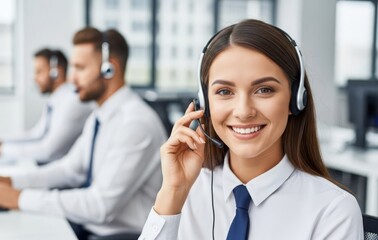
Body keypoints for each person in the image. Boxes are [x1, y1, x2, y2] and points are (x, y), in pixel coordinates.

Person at [139, 19, 363, 239]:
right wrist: (173, 192)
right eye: (225, 92)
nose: (243, 111)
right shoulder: (189, 190)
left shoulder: (333, 210)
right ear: (204, 104)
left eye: (264, 90)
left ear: (296, 99)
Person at [0, 27, 167, 239]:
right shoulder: (99, 116)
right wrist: (10, 182)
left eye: (80, 68)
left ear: (110, 69)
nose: (71, 79)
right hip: (89, 226)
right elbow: (69, 170)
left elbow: (100, 206)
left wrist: (19, 198)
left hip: (121, 235)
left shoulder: (135, 124)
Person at [0, 49, 94, 164]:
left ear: (56, 72)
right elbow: (36, 135)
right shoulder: (56, 101)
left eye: (39, 72)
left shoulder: (73, 103)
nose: (35, 78)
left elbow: (48, 151)